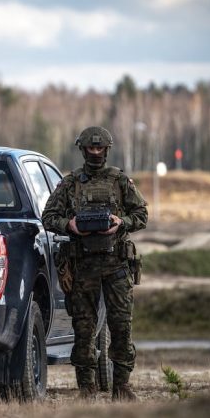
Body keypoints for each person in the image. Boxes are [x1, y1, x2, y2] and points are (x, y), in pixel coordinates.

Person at [42, 126, 148, 401]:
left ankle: (121, 387)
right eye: (91, 148)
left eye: (100, 148)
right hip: (83, 267)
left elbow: (142, 214)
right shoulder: (71, 183)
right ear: (83, 149)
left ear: (107, 150)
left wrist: (120, 223)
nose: (96, 152)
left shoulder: (120, 181)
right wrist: (71, 225)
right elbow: (48, 216)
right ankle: (87, 389)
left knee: (121, 327)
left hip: (116, 265)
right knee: (84, 330)